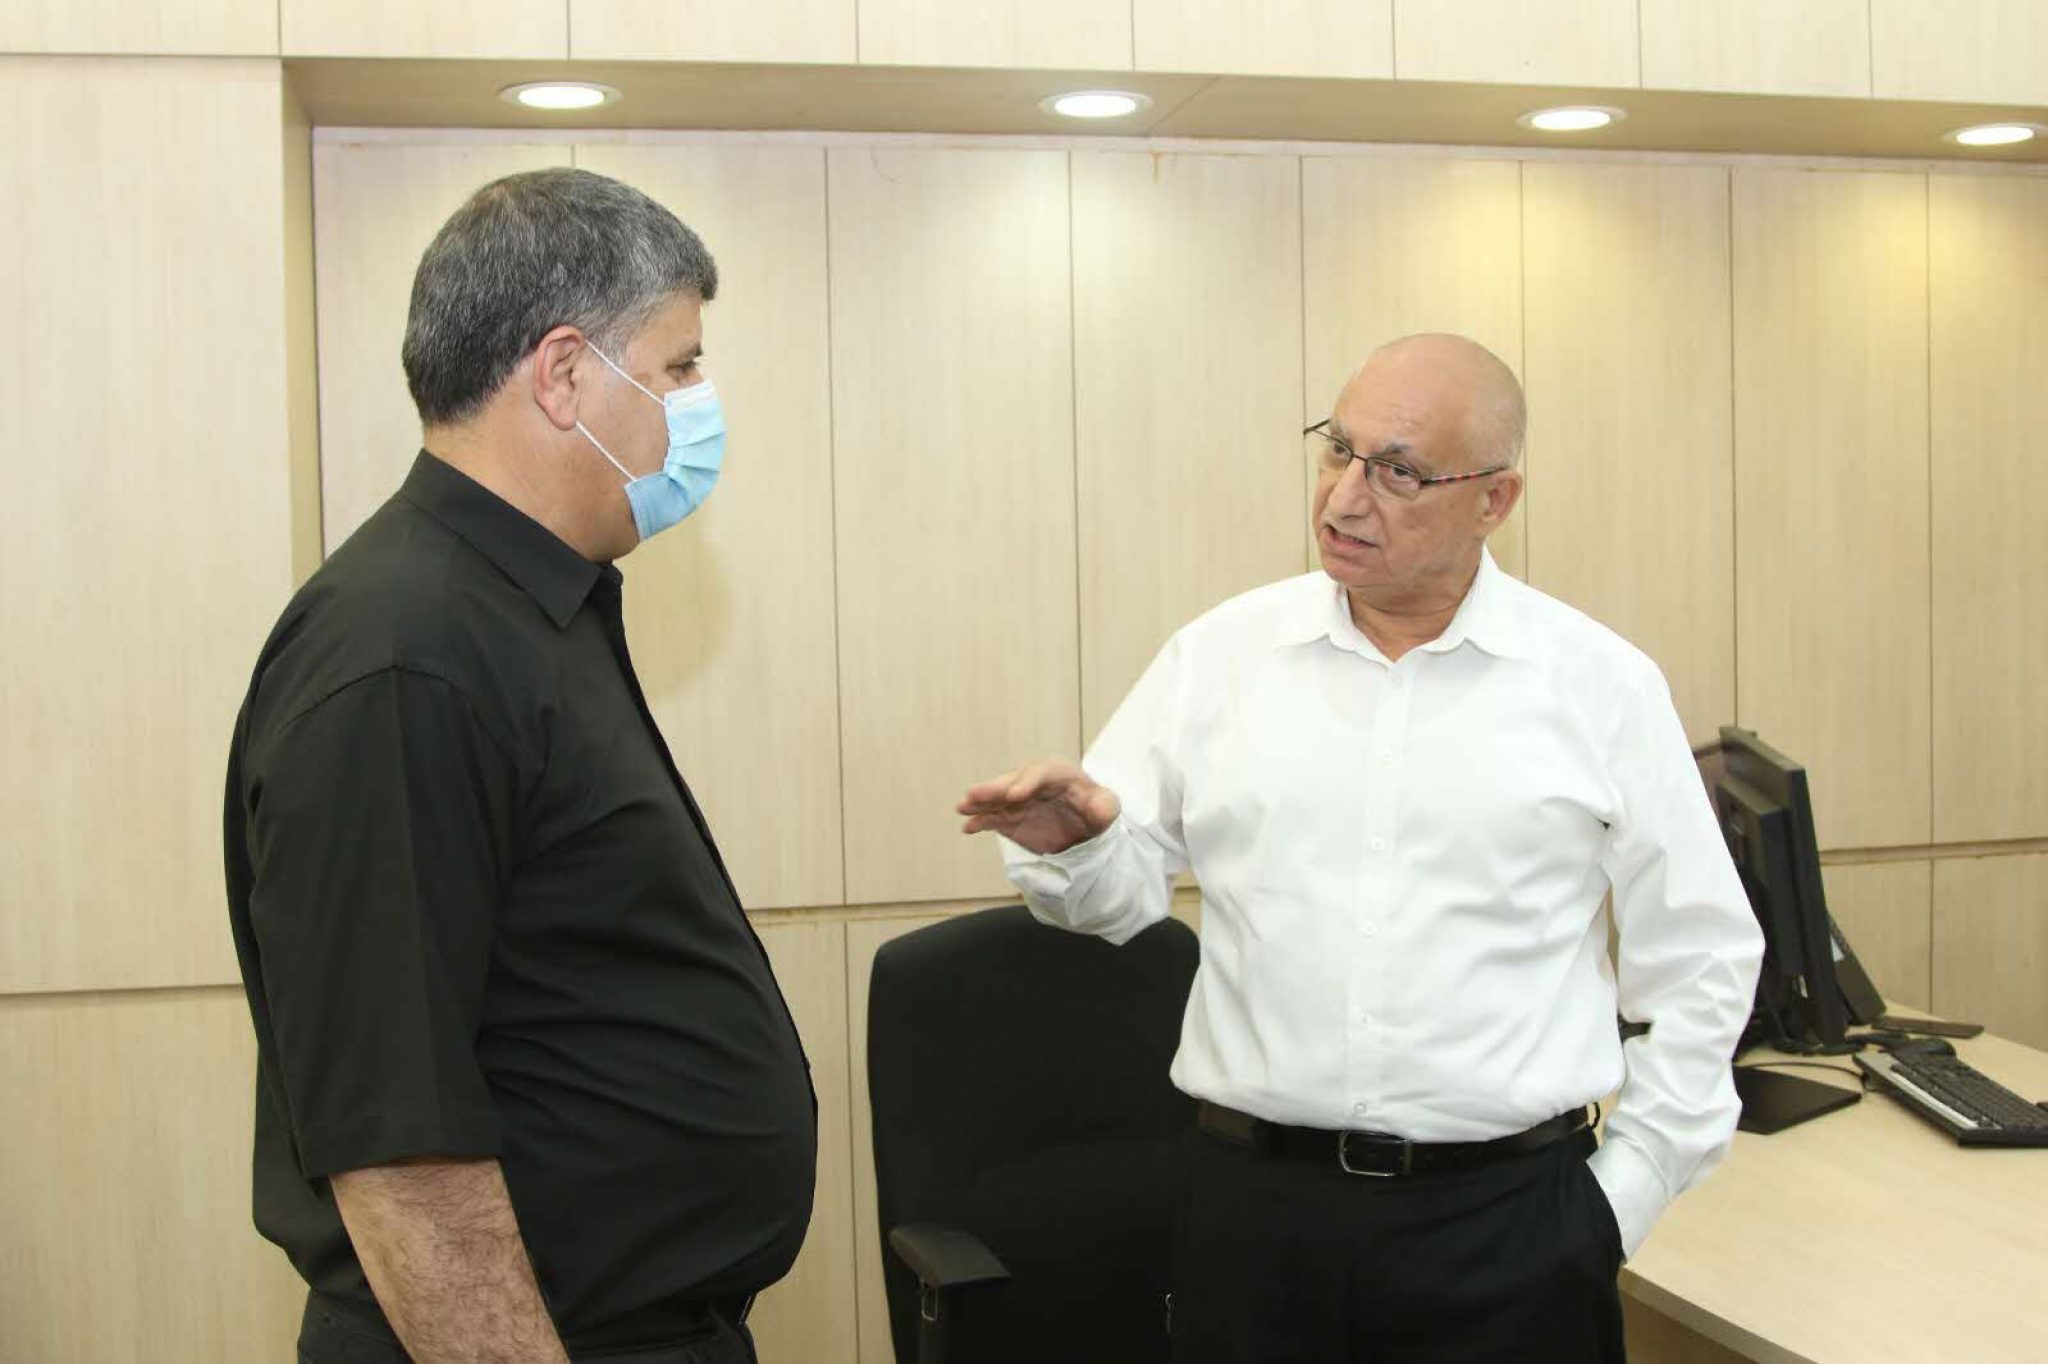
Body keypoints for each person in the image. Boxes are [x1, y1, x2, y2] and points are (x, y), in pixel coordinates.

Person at [959, 333, 1762, 1363]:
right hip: (1254, 1225)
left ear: (1495, 499)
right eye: (1336, 450)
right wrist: (1078, 847)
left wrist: (1623, 1194)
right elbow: (1112, 905)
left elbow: (1701, 956)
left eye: (1397, 472)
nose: (1342, 498)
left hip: (1510, 1232)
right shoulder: (1220, 657)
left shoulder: (1598, 685)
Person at [223, 168, 815, 1364]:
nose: (698, 404)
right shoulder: (405, 655)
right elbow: (401, 1151)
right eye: (679, 366)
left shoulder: (519, 610)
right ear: (562, 375)